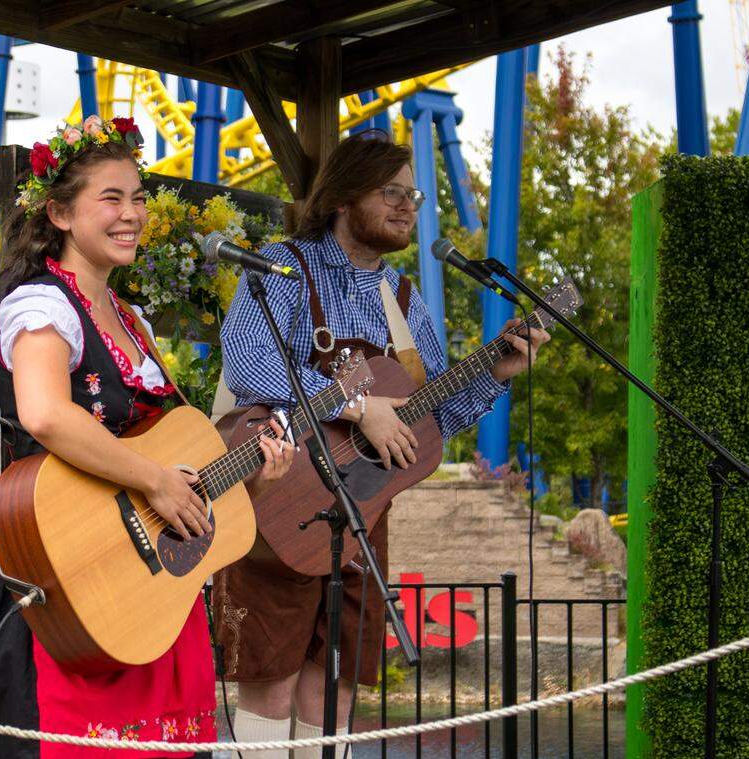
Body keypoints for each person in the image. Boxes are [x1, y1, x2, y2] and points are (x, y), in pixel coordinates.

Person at [0, 115, 294, 759]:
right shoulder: (41, 306)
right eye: (110, 197)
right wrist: (156, 481)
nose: (131, 212)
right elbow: (46, 414)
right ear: (58, 213)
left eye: (137, 197)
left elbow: (165, 454)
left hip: (146, 597)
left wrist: (247, 472)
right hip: (63, 575)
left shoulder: (131, 321)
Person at [214, 131, 550, 758]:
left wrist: (496, 373)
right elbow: (250, 363)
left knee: (337, 683)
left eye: (414, 194)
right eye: (391, 192)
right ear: (343, 196)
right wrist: (358, 406)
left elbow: (429, 420)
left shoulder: (403, 299)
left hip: (364, 510)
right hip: (279, 497)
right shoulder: (285, 269)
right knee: (273, 680)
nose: (408, 206)